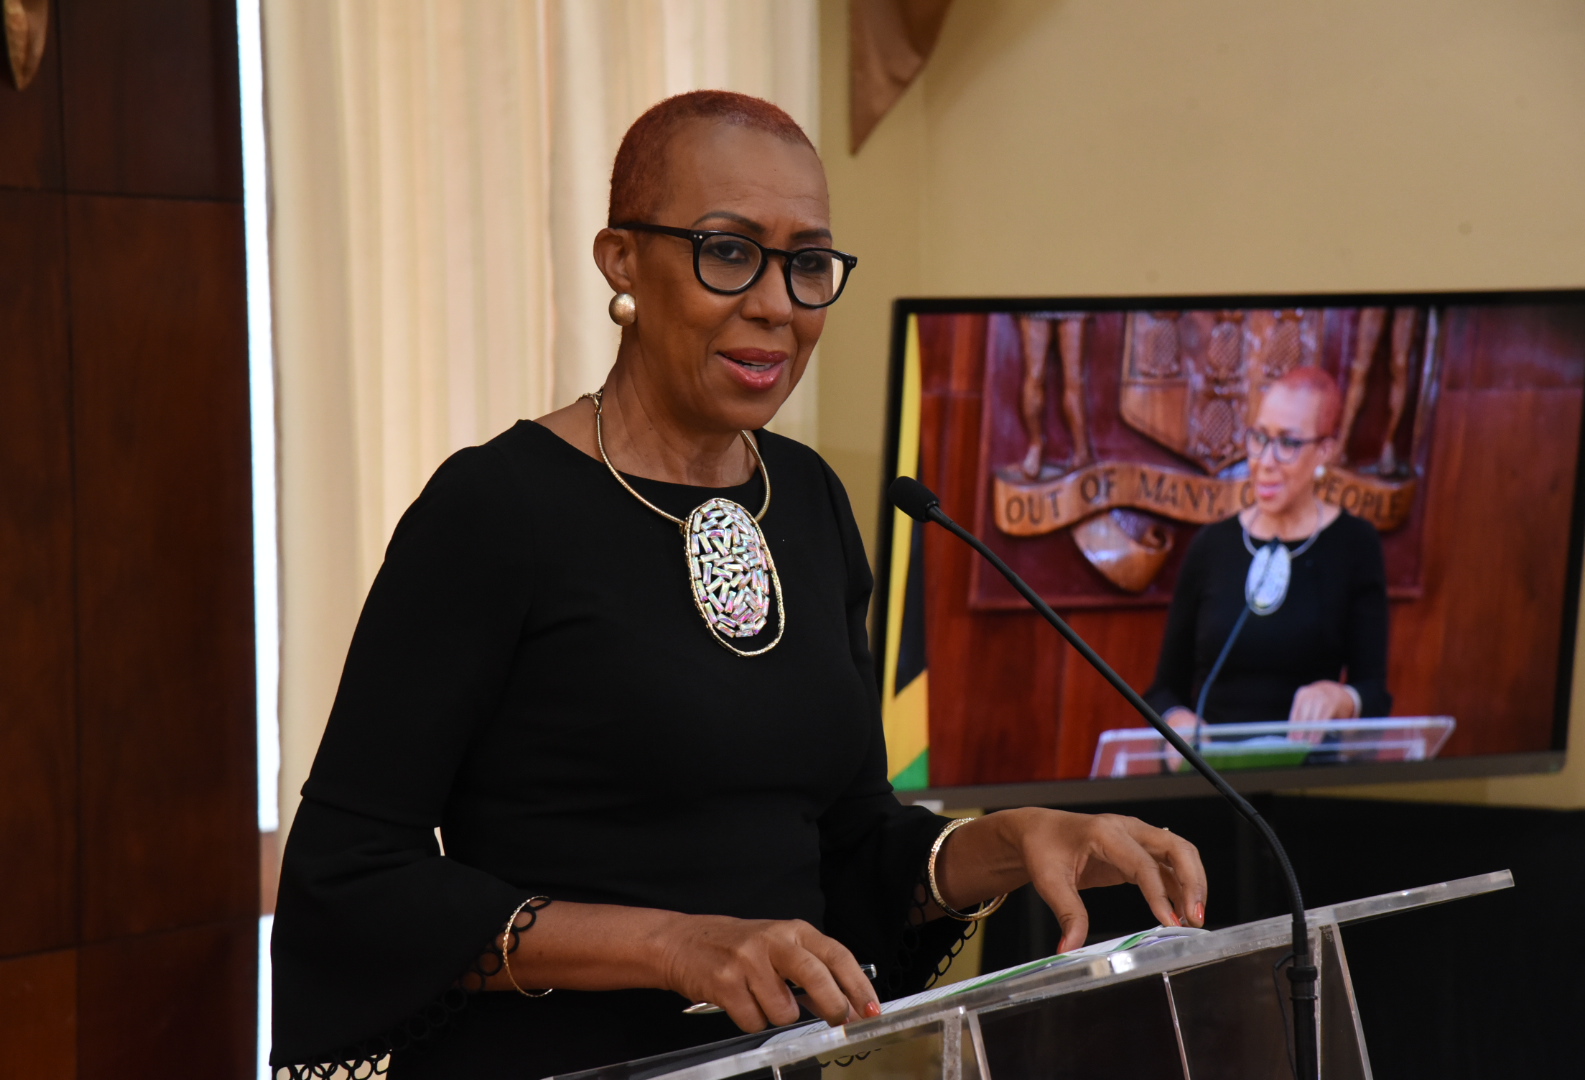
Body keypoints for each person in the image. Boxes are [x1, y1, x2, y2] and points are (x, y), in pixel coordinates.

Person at [271, 91, 1208, 1080]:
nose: (776, 303)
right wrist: (672, 944)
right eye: (729, 251)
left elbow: (846, 851)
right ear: (621, 261)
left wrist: (1011, 843)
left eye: (808, 264)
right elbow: (353, 882)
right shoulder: (495, 510)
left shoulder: (805, 499)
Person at [1145, 366, 1392, 736]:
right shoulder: (1212, 545)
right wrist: (1176, 722)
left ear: (1326, 450)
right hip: (1209, 772)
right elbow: (1163, 692)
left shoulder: (1355, 545)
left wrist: (1341, 699)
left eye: (1288, 444)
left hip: (1304, 774)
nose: (1265, 460)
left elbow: (1374, 694)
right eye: (1259, 437)